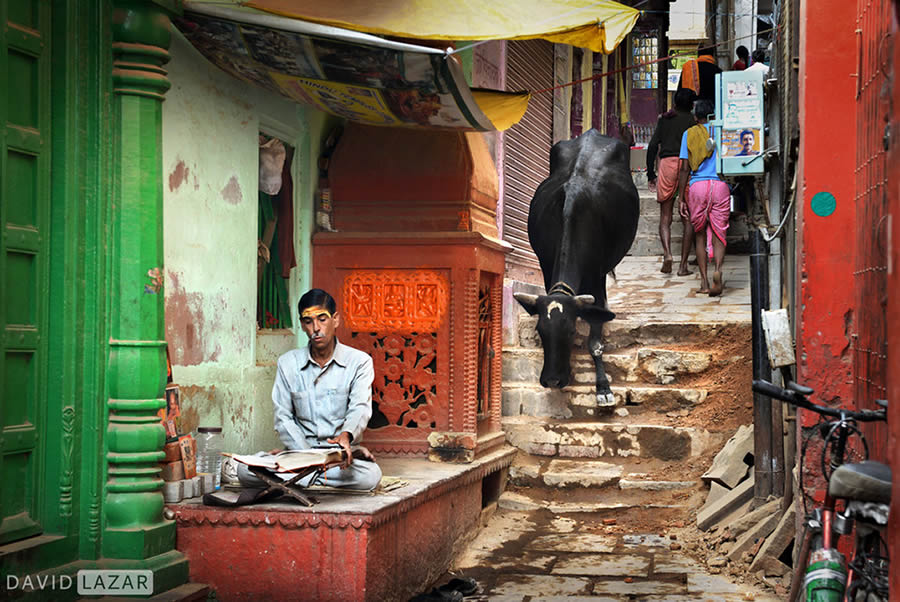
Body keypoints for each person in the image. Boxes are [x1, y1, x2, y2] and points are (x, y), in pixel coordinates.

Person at [236, 288, 382, 490]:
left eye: (322, 319)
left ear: (336, 320)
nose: (316, 328)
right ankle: (308, 476)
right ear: (302, 324)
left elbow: (360, 408)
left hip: (337, 457)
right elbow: (283, 417)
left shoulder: (359, 362)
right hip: (299, 453)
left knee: (370, 476)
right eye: (308, 321)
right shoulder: (288, 363)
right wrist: (304, 457)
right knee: (243, 471)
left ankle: (295, 481)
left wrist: (347, 436)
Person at [677, 99, 730, 296]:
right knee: (719, 233)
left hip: (697, 186)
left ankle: (705, 282)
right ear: (712, 115)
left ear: (695, 116)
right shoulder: (721, 131)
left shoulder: (689, 134)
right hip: (720, 185)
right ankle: (718, 271)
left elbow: (684, 168)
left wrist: (681, 196)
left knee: (699, 235)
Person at [646, 88, 697, 275]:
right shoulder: (693, 121)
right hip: (687, 166)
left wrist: (650, 174)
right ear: (691, 105)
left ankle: (668, 254)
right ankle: (683, 265)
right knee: (688, 217)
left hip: (667, 165)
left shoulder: (664, 120)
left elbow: (652, 146)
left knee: (665, 217)